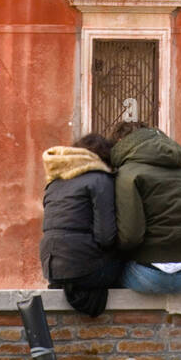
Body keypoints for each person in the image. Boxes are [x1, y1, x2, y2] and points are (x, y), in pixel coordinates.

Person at [110, 122, 181, 294]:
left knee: (103, 277)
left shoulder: (128, 173)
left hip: (150, 276)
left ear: (121, 142)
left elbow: (130, 236)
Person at [39, 133, 122, 317]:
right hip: (83, 268)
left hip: (52, 268)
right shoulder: (101, 179)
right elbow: (106, 237)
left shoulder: (54, 183)